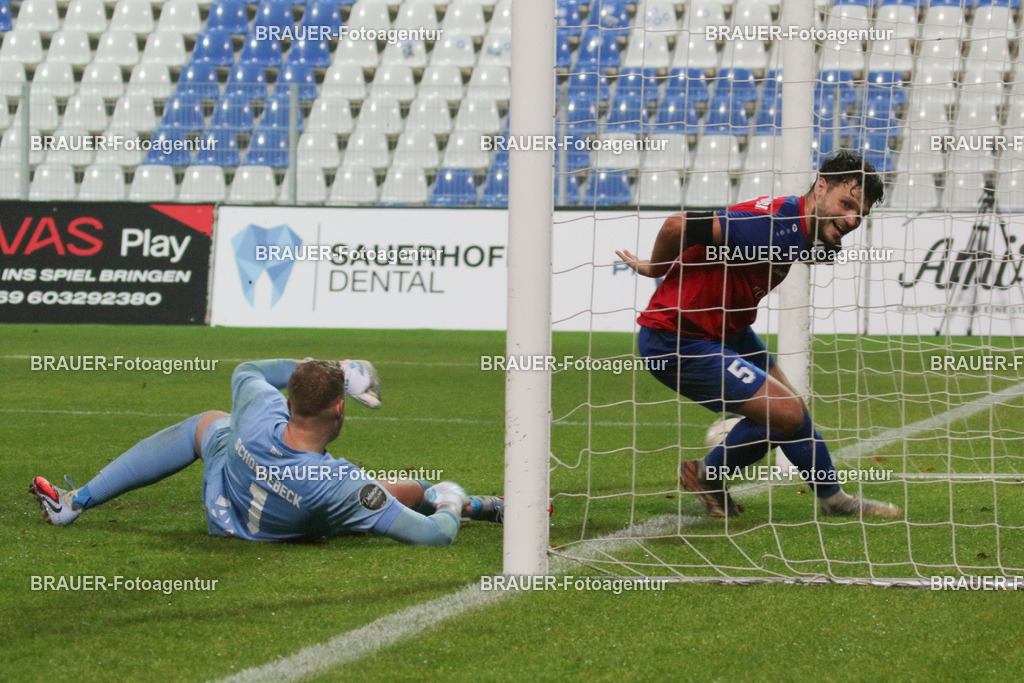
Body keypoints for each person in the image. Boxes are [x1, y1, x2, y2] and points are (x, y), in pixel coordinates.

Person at [616, 151, 900, 519]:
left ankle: (832, 498)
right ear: (821, 186)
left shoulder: (797, 222)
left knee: (792, 408)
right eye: (846, 204)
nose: (850, 219)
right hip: (676, 336)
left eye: (859, 215)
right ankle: (711, 474)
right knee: (785, 412)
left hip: (727, 328)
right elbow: (677, 225)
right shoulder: (775, 228)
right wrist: (654, 267)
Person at [30, 358, 502, 545]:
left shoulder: (259, 411)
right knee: (417, 490)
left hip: (225, 503)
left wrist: (332, 364)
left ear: (290, 401)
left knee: (209, 424)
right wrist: (453, 499)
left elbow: (250, 368)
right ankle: (478, 504)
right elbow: (435, 537)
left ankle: (76, 502)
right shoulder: (339, 484)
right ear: (339, 410)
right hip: (291, 518)